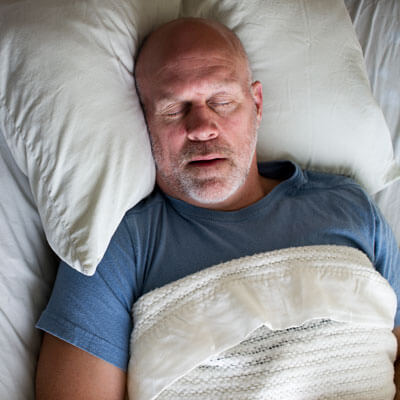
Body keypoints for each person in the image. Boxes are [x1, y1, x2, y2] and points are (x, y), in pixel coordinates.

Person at [35, 18, 400, 399]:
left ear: (256, 104)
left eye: (222, 101)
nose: (202, 127)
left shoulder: (349, 205)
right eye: (175, 109)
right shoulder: (118, 243)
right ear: (145, 120)